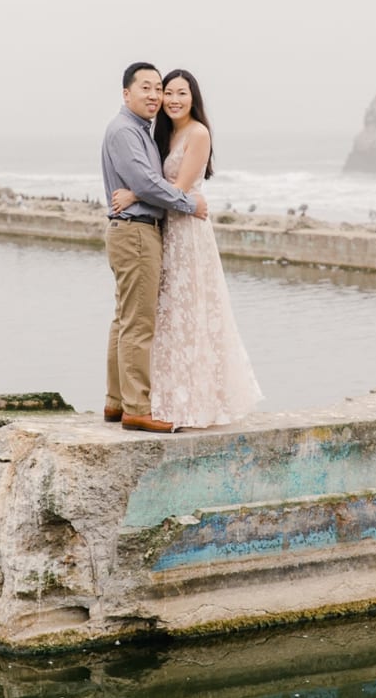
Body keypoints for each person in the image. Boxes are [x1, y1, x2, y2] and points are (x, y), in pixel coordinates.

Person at [111, 68, 263, 428]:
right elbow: (158, 182)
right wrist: (145, 189)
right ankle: (163, 397)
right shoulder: (160, 134)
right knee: (165, 314)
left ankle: (195, 401)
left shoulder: (198, 132)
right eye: (168, 92)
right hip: (166, 229)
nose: (173, 99)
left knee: (192, 309)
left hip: (188, 231)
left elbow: (177, 188)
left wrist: (135, 192)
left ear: (194, 98)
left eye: (181, 93)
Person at [101, 63, 208, 433]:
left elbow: (146, 183)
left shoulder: (141, 131)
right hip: (136, 234)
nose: (154, 95)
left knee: (125, 319)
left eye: (157, 88)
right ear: (126, 93)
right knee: (138, 323)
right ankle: (136, 408)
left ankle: (116, 403)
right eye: (145, 87)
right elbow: (148, 183)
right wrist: (189, 204)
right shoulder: (125, 132)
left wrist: (139, 190)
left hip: (134, 230)